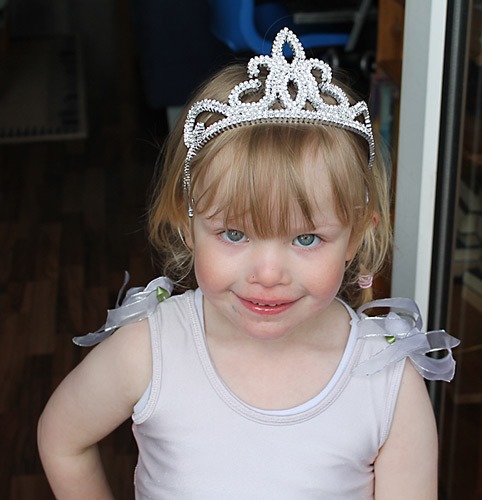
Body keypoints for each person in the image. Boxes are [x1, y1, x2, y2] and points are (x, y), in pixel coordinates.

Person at [37, 28, 458, 499]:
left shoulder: (388, 381)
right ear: (186, 225)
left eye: (306, 238)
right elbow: (63, 439)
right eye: (234, 234)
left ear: (356, 237)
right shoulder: (149, 351)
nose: (268, 274)